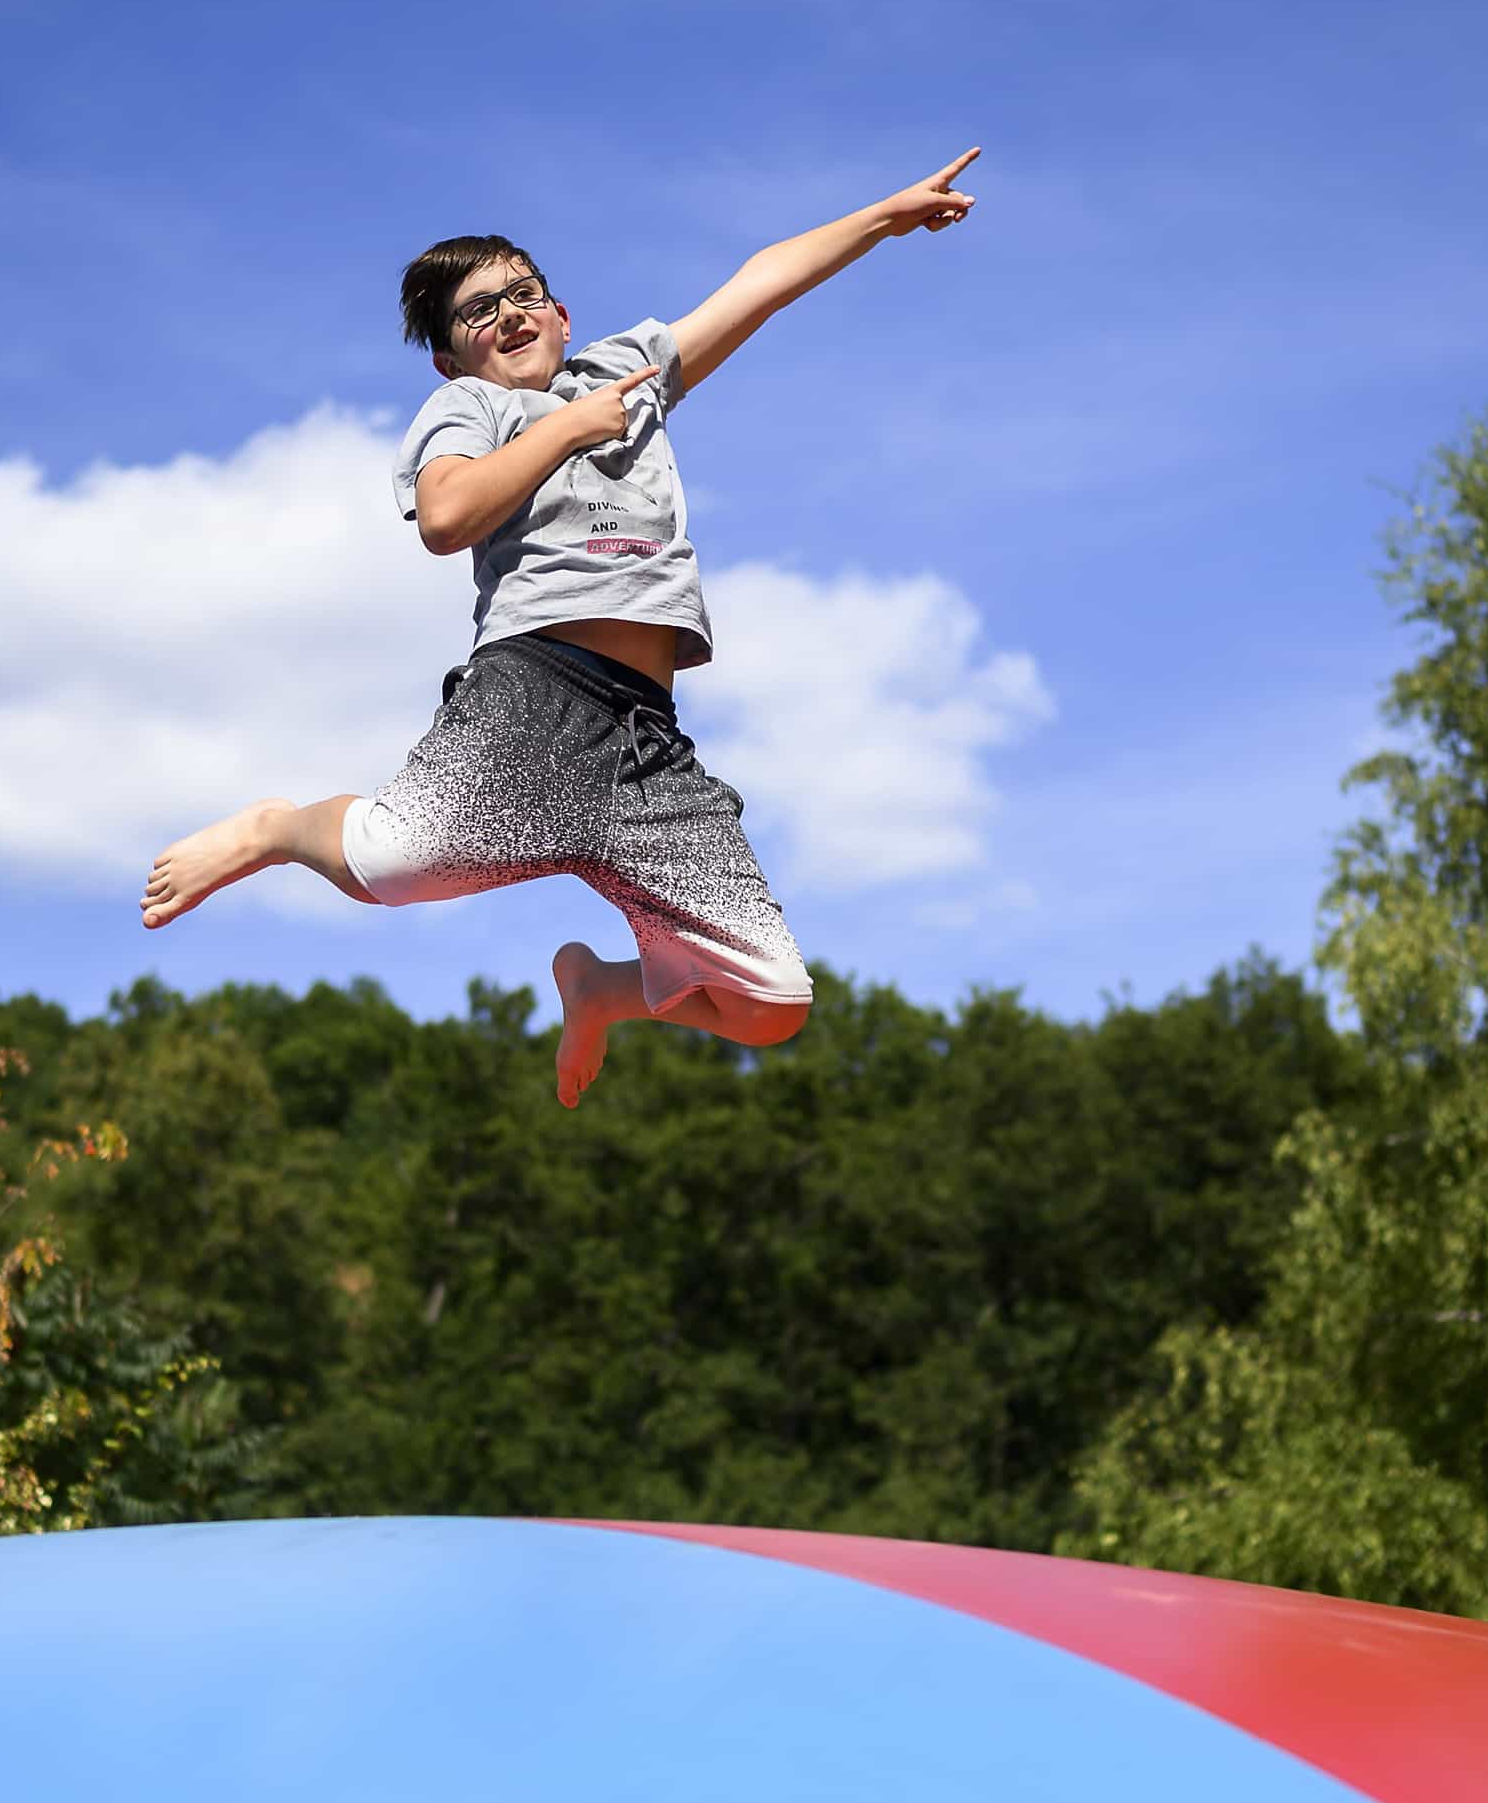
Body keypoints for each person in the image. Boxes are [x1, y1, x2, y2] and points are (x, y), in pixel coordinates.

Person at [140, 148, 982, 1106]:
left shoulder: (624, 373)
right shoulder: (471, 406)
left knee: (773, 1002)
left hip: (643, 743)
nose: (509, 314)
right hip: (537, 690)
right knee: (391, 861)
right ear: (449, 355)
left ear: (563, 313)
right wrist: (563, 430)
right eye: (478, 311)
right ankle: (276, 828)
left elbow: (757, 286)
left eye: (524, 293)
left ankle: (604, 991)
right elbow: (449, 515)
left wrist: (885, 216)